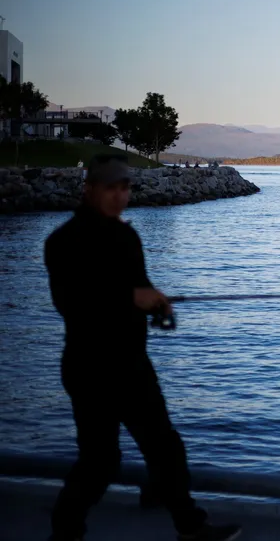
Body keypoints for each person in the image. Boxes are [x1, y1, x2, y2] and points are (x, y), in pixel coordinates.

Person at [44, 154, 241, 541]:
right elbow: (70, 303)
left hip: (132, 363)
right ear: (89, 189)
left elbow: (140, 287)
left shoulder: (126, 237)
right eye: (110, 189)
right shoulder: (65, 241)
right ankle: (64, 533)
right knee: (100, 462)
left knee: (165, 448)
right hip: (89, 366)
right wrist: (131, 298)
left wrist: (157, 305)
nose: (119, 196)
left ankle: (191, 527)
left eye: (124, 188)